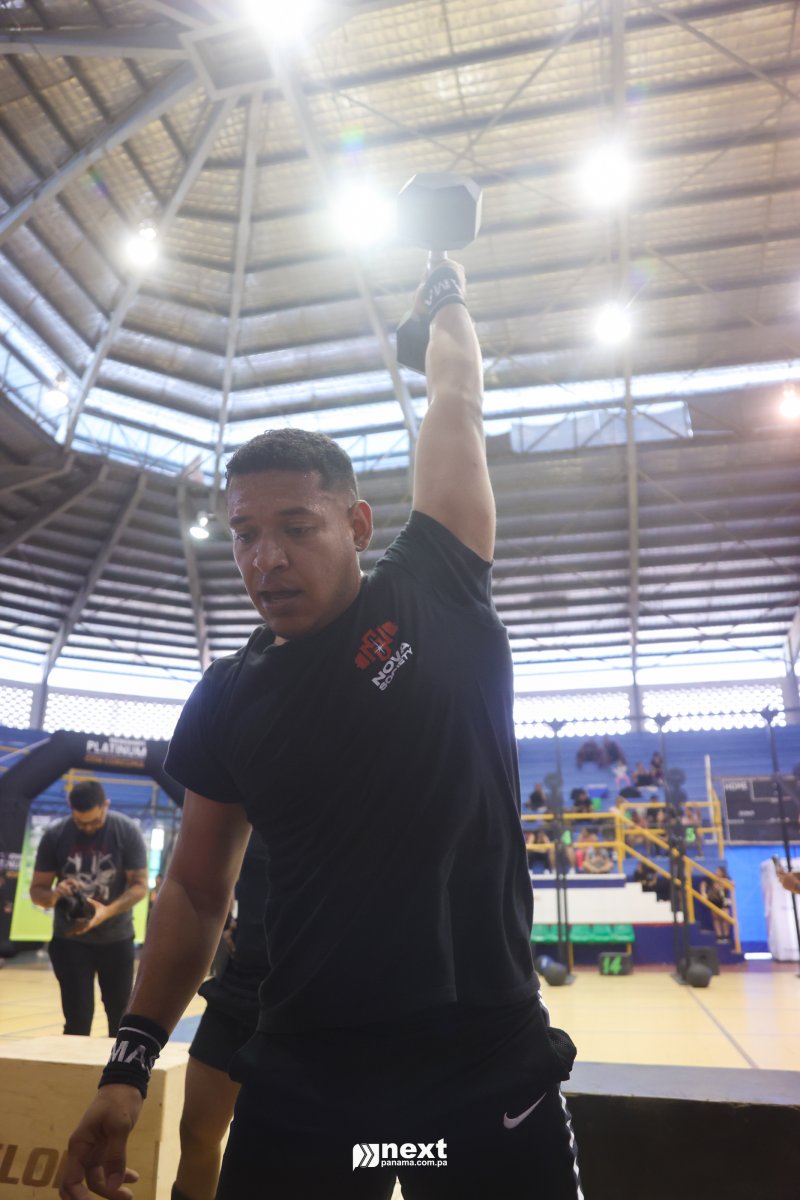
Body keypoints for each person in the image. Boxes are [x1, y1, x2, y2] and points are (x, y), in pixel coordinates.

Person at [60, 260, 581, 1200]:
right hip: (308, 1079)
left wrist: (446, 296)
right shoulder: (227, 698)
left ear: (359, 523)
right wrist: (129, 1062)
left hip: (484, 1063)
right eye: (244, 534)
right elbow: (195, 891)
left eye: (297, 527)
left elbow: (457, 402)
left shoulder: (437, 589)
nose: (265, 559)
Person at [173, 831, 269, 1200]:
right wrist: (228, 922)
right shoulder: (253, 814)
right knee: (196, 1132)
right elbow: (202, 885)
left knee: (284, 1149)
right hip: (239, 990)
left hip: (316, 999)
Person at [29, 779, 148, 1037]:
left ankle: (116, 1065)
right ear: (70, 809)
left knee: (120, 1019)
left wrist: (106, 912)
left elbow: (140, 886)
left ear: (106, 805)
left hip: (116, 939)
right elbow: (37, 892)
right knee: (77, 1021)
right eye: (80, 823)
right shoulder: (55, 835)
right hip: (70, 940)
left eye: (94, 821)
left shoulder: (125, 830)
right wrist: (55, 895)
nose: (87, 828)